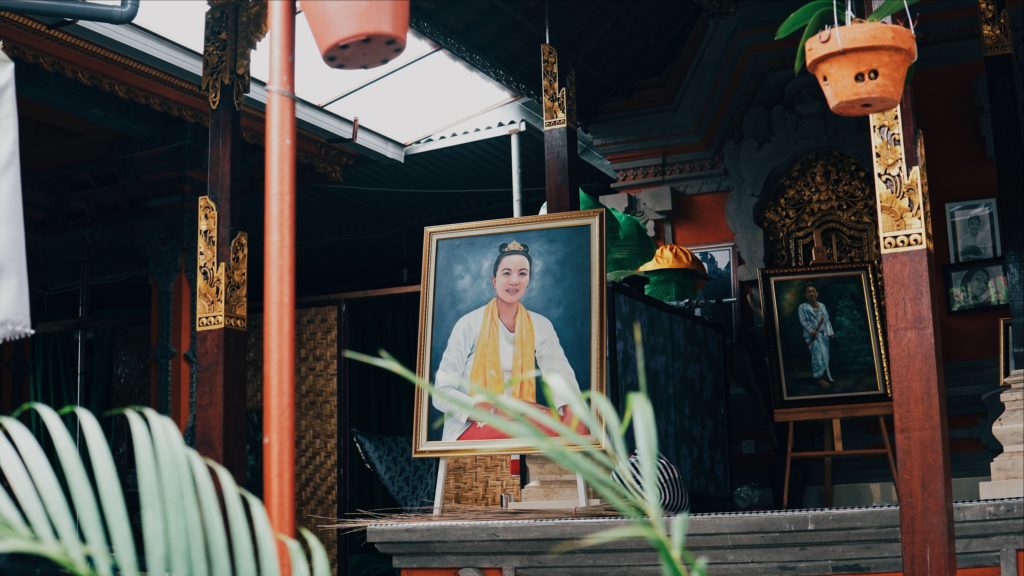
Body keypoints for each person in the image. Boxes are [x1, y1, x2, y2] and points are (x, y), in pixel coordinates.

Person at [433, 241, 585, 441]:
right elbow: (441, 393)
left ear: (529, 280)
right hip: (471, 425)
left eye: (522, 273)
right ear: (494, 280)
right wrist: (496, 411)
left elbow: (559, 372)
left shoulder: (540, 324)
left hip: (521, 418)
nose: (514, 280)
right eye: (506, 273)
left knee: (581, 426)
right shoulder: (468, 324)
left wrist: (573, 417)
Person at [798, 281, 835, 388]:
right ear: (805, 295)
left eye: (813, 291)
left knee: (825, 356)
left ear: (816, 293)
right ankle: (819, 377)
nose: (811, 293)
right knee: (817, 356)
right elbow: (803, 320)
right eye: (808, 292)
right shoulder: (802, 307)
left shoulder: (822, 305)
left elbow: (826, 320)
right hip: (812, 336)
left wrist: (830, 331)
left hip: (824, 335)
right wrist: (811, 330)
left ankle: (825, 375)